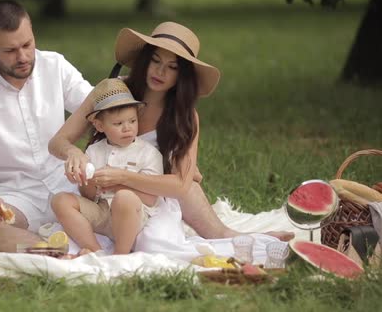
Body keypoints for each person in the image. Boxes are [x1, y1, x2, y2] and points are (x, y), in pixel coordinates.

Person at [48, 21, 294, 254]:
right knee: (64, 214)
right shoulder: (112, 92)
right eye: (155, 61)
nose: (160, 71)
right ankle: (97, 250)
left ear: (183, 74)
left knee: (162, 241)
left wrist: (124, 177)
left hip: (151, 195)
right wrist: (74, 153)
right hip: (100, 189)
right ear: (145, 60)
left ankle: (235, 236)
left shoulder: (184, 116)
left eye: (172, 67)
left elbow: (180, 185)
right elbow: (58, 142)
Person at [0, 0, 92, 252]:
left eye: (27, 45)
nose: (23, 57)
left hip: (70, 186)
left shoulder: (55, 65)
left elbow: (95, 108)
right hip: (16, 196)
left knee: (127, 195)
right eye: (10, 50)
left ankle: (88, 242)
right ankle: (51, 252)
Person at [51, 78, 163, 254]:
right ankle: (96, 250)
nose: (127, 128)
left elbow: (150, 198)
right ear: (99, 126)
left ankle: (121, 254)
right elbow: (88, 195)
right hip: (102, 211)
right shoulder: (95, 151)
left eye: (132, 121)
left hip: (133, 216)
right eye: (118, 124)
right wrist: (83, 179)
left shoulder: (148, 153)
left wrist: (116, 184)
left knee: (124, 197)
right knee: (60, 200)